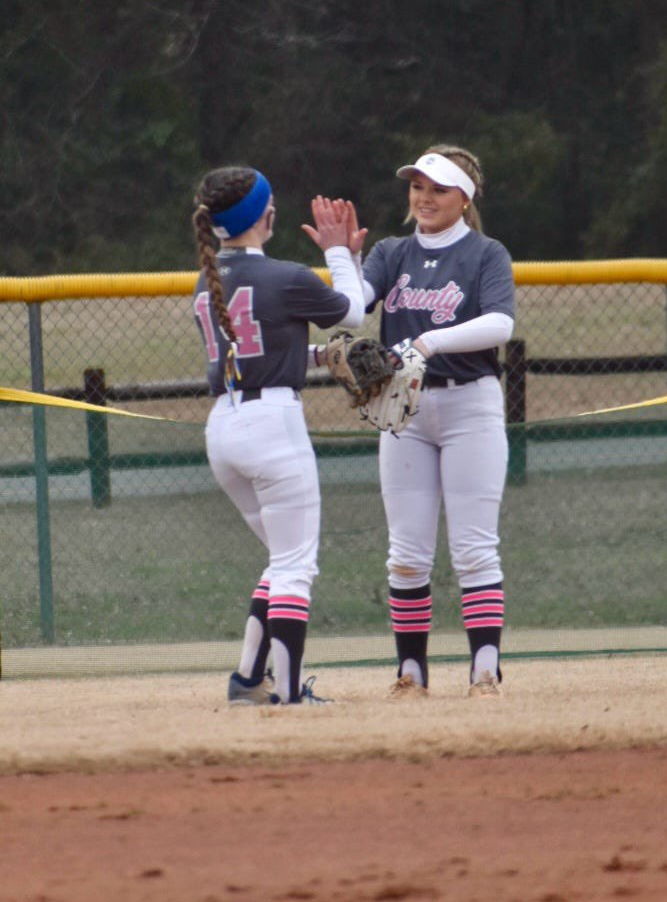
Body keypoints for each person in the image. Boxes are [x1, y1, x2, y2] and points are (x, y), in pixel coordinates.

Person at [192, 165, 365, 706]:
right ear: (265, 215)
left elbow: (255, 346)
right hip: (272, 427)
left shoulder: (209, 276)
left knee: (282, 558)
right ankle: (289, 695)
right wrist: (340, 252)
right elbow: (354, 314)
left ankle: (248, 679)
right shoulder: (285, 275)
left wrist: (310, 354)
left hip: (223, 427)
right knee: (294, 565)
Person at [349, 144, 515, 698]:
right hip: (406, 410)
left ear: (464, 198)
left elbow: (499, 324)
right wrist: (339, 259)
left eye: (438, 188)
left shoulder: (485, 253)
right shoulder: (391, 252)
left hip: (471, 402)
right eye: (418, 186)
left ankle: (485, 670)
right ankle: (411, 672)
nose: (424, 196)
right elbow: (351, 311)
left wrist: (427, 341)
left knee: (473, 547)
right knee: (407, 552)